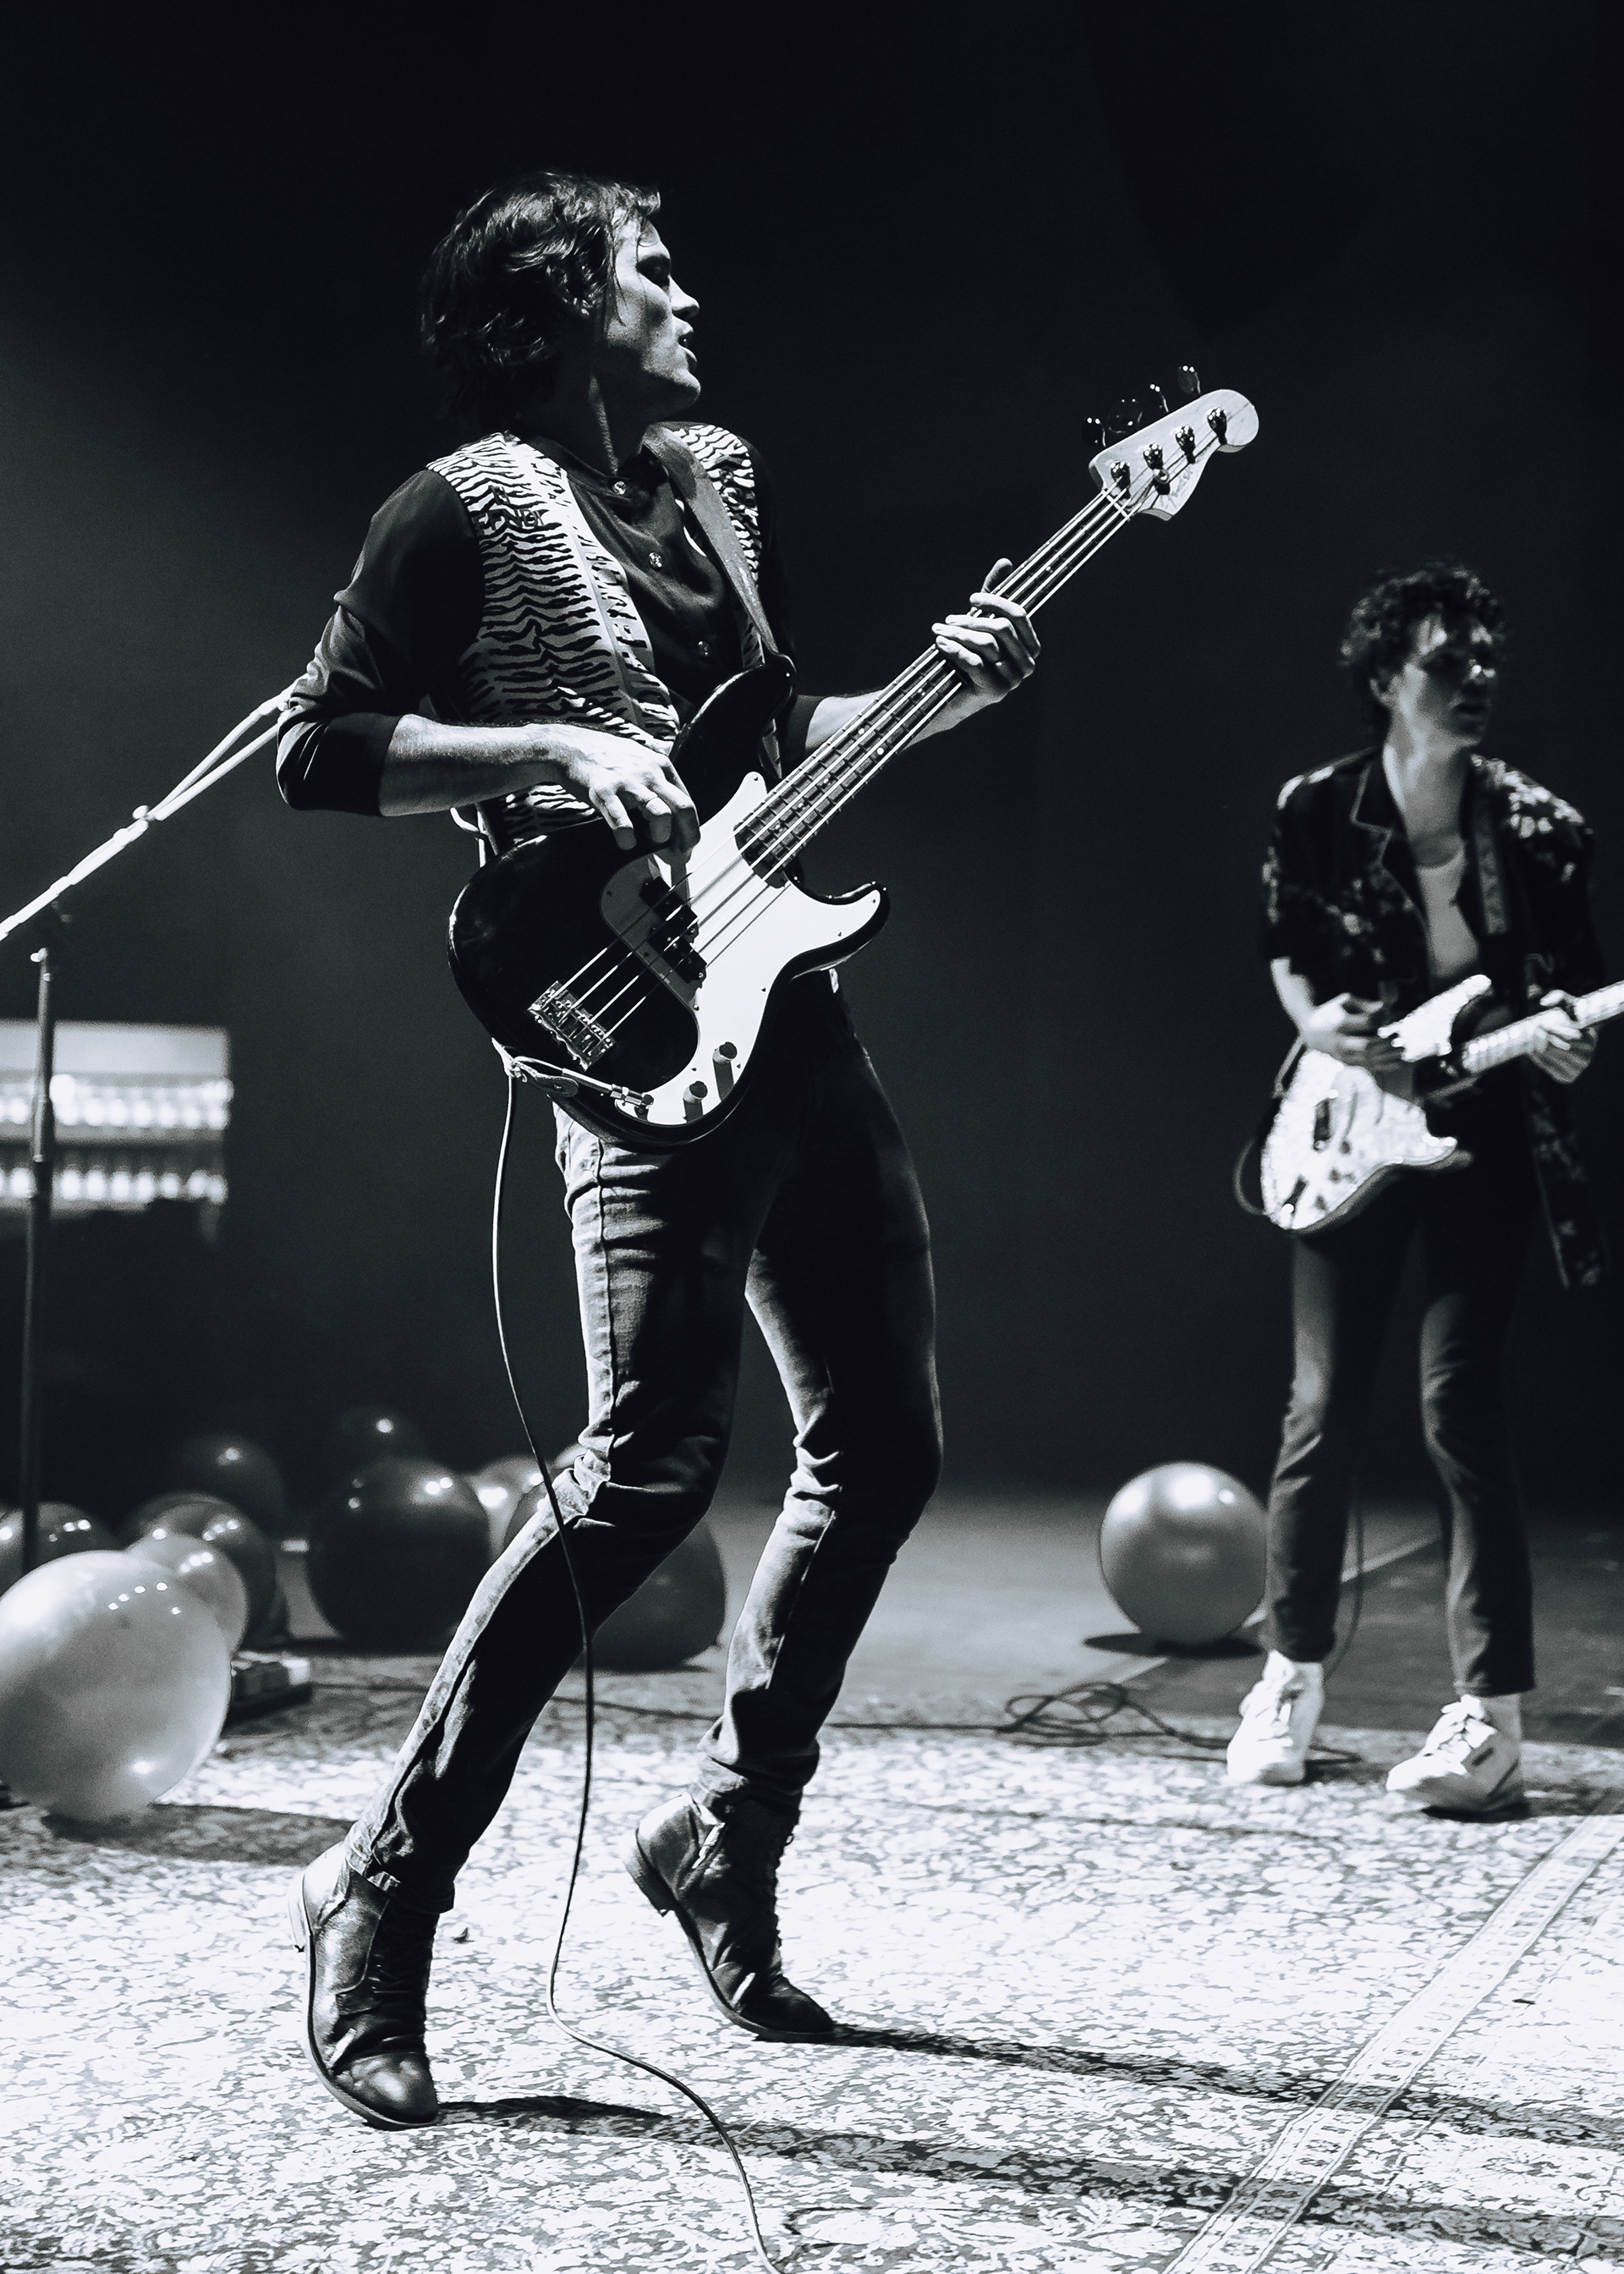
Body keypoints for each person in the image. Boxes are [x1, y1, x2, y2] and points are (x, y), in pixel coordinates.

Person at [275, 170, 1040, 2128]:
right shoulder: (455, 509)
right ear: (548, 312)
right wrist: (538, 750)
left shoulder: (711, 484)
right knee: (640, 1477)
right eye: (652, 271)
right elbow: (321, 747)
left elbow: (773, 751)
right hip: (627, 1030)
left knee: (885, 1447)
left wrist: (933, 700)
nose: (691, 295)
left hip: (794, 1011)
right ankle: (382, 1886)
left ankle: (724, 1833)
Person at [1227, 561, 1603, 1810]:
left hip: (1483, 1142)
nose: (1477, 679)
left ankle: (1491, 1721)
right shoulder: (1317, 809)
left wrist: (1565, 1036)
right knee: (1319, 1409)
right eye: (1451, 662)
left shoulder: (1541, 830)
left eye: (1488, 659)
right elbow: (1287, 946)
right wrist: (1316, 1027)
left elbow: (1569, 989)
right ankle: (1288, 1678)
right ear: (1390, 676)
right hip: (1347, 1128)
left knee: (1461, 1412)